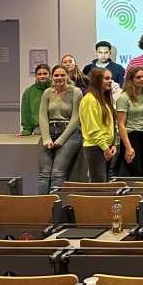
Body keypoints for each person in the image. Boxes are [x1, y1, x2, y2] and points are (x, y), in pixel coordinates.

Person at [37, 64, 82, 192]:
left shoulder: (76, 92)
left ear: (68, 76)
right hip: (50, 131)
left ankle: (55, 203)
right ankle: (42, 203)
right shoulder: (47, 92)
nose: (59, 78)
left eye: (62, 75)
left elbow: (76, 117)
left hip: (70, 134)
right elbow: (42, 116)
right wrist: (46, 138)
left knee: (57, 172)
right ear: (52, 77)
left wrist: (61, 140)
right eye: (56, 75)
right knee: (44, 174)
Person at [79, 68, 118, 182]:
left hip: (106, 147)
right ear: (97, 80)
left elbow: (111, 124)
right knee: (98, 185)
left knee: (104, 183)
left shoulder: (104, 98)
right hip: (95, 148)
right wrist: (105, 148)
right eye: (107, 78)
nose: (110, 81)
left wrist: (114, 144)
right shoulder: (89, 100)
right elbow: (92, 129)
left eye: (111, 78)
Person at [115, 66, 143, 176]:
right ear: (131, 80)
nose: (142, 79)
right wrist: (128, 147)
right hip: (131, 136)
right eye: (138, 77)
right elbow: (121, 124)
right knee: (136, 173)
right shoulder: (124, 98)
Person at [20, 64, 51, 137]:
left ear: (50, 74)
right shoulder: (29, 91)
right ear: (36, 76)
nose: (42, 76)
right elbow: (26, 112)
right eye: (39, 74)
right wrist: (26, 130)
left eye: (45, 74)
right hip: (38, 128)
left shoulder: (55, 88)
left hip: (55, 127)